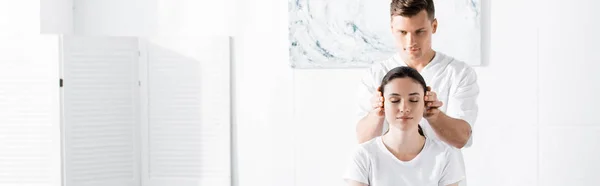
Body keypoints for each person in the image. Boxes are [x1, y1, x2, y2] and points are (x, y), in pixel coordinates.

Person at [355, 0, 479, 185]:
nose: (410, 42)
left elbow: (461, 138)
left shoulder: (458, 73)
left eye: (419, 32)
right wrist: (377, 113)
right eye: (402, 32)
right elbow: (363, 141)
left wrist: (434, 115)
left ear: (434, 26)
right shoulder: (376, 75)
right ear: (392, 28)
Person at [345, 66, 464, 186]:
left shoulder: (444, 155)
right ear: (382, 103)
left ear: (425, 102)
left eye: (413, 100)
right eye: (394, 100)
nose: (404, 108)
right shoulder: (364, 155)